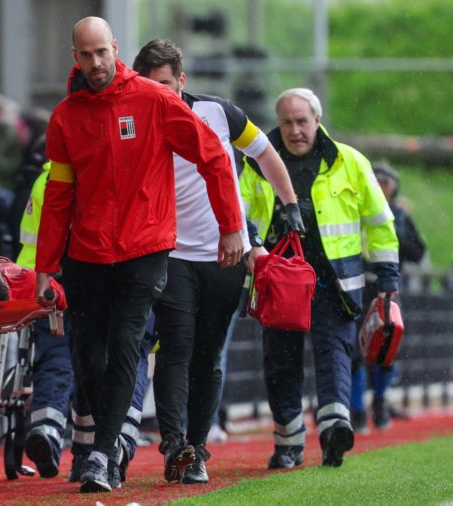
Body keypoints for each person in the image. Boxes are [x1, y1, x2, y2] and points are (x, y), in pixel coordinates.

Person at [35, 17, 244, 494]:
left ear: (115, 50)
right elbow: (59, 196)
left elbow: (213, 155)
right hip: (87, 254)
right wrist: (45, 268)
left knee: (127, 344)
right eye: (85, 56)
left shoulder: (154, 100)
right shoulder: (67, 117)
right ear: (75, 58)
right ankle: (106, 448)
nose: (95, 63)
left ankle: (102, 456)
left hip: (145, 248)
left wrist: (231, 227)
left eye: (101, 53)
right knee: (89, 358)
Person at [132, 38, 302, 484]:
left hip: (226, 252)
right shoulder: (133, 121)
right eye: (150, 85)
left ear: (182, 81)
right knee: (175, 349)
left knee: (208, 358)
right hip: (170, 255)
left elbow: (265, 152)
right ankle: (174, 444)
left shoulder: (218, 112)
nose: (160, 93)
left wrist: (290, 204)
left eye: (167, 84)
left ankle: (198, 448)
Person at [239, 88, 400, 469]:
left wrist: (388, 276)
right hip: (279, 283)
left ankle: (334, 430)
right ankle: (288, 442)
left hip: (335, 283)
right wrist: (252, 246)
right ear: (278, 124)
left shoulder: (350, 162)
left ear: (317, 121)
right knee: (280, 361)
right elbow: (237, 209)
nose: (295, 130)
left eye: (302, 122)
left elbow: (379, 222)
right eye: (287, 123)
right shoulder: (257, 162)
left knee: (335, 355)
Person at [18, 161, 152, 482]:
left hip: (48, 283)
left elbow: (32, 243)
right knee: (125, 359)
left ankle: (56, 436)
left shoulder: (48, 176)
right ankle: (118, 442)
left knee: (67, 361)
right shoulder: (122, 167)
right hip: (105, 279)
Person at [350, 162, 426, 432]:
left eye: (386, 182)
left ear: (394, 188)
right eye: (376, 180)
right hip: (356, 287)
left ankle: (380, 402)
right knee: (354, 351)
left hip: (388, 289)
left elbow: (418, 253)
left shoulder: (399, 215)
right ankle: (357, 411)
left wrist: (400, 230)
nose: (381, 186)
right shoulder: (354, 210)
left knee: (387, 348)